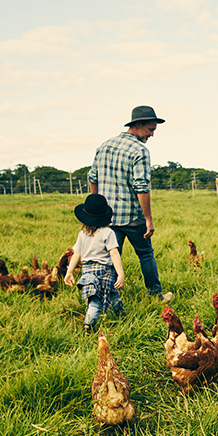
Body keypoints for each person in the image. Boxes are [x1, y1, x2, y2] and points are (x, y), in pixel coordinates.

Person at [87, 105, 164, 298]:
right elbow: (142, 186)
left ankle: (106, 295)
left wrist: (96, 209)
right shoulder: (140, 150)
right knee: (145, 254)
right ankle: (155, 294)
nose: (152, 135)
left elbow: (92, 177)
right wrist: (148, 218)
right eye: (150, 129)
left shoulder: (103, 146)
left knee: (109, 257)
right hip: (132, 216)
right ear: (138, 125)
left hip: (107, 218)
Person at [64, 193, 125, 332]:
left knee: (105, 295)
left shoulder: (82, 234)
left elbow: (77, 254)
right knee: (99, 300)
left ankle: (120, 314)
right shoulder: (108, 232)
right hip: (105, 270)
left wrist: (69, 272)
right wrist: (120, 273)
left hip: (87, 270)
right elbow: (114, 253)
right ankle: (89, 327)